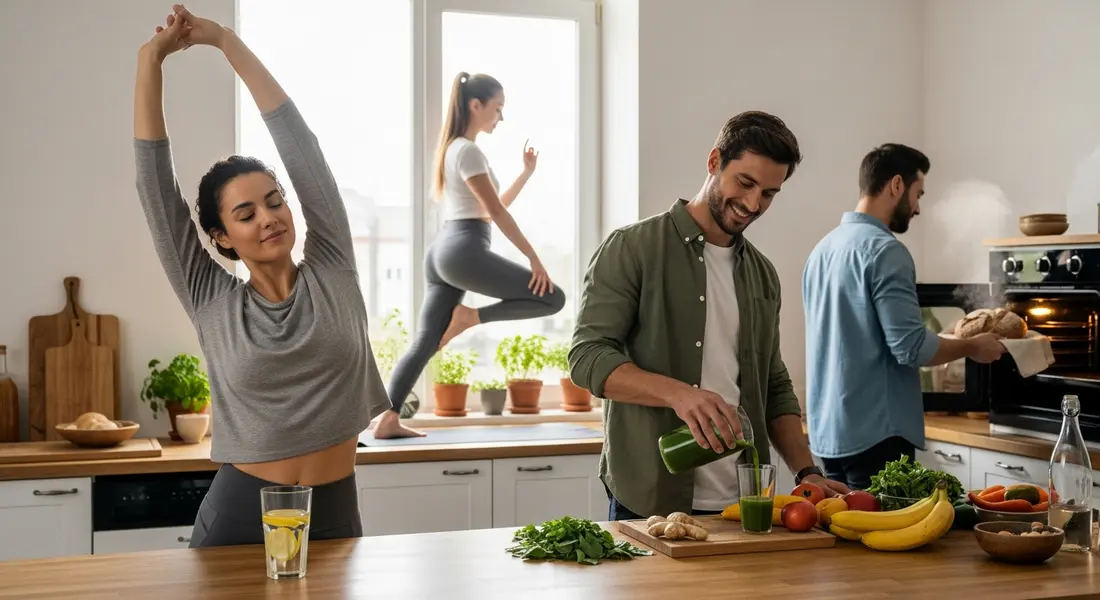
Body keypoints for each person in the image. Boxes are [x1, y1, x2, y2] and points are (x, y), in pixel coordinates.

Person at [134, 5, 390, 546]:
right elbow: (157, 191)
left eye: (274, 203)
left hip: (334, 512)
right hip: (239, 518)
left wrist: (227, 42)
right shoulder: (211, 298)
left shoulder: (333, 267)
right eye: (246, 214)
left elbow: (302, 150)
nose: (268, 217)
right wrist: (150, 61)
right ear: (221, 237)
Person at [568, 111, 851, 520]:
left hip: (743, 507)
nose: (753, 204)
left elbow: (772, 382)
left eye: (769, 194)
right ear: (714, 162)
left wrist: (807, 470)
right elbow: (587, 359)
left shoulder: (762, 274)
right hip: (650, 504)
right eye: (746, 183)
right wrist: (679, 394)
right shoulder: (633, 249)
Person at [801, 143, 1006, 490]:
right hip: (878, 434)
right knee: (878, 539)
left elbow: (855, 335)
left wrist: (951, 338)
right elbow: (911, 349)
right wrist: (973, 347)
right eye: (917, 193)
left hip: (827, 435)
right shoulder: (886, 251)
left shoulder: (823, 249)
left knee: (844, 535)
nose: (918, 208)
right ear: (896, 185)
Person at [374, 71, 566, 439]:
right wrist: (533, 259)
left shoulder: (456, 149)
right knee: (552, 298)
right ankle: (469, 317)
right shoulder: (468, 149)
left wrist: (525, 175)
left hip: (446, 249)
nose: (501, 117)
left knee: (425, 340)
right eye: (498, 109)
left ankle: (387, 418)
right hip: (463, 249)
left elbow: (489, 207)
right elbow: (495, 213)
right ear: (475, 105)